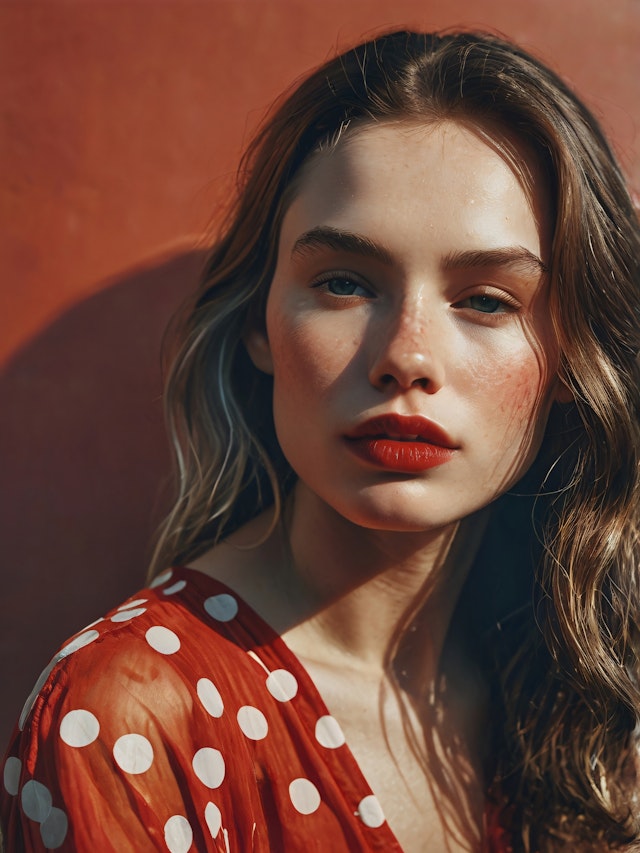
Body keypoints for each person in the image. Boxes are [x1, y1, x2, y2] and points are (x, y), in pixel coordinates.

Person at [2, 28, 640, 853]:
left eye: (485, 299)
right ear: (260, 324)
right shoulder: (133, 719)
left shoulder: (577, 692)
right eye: (344, 282)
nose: (406, 355)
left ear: (568, 357)